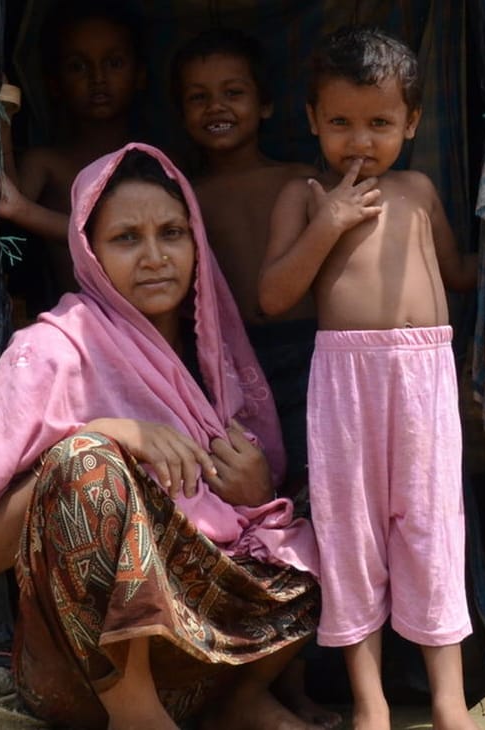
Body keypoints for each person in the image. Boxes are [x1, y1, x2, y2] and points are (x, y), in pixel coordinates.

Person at [0, 144, 322, 730]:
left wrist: (255, 494)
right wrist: (105, 433)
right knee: (85, 463)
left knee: (337, 506)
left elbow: (254, 529)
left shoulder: (215, 365)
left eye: (172, 232)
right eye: (126, 239)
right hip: (81, 676)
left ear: (197, 243)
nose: (155, 257)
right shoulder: (51, 355)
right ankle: (138, 715)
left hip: (208, 662)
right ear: (88, 252)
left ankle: (239, 700)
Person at [259, 26, 479, 730]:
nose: (359, 141)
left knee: (429, 524)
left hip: (423, 375)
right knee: (350, 534)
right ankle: (370, 704)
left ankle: (447, 701)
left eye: (379, 123)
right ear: (311, 122)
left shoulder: (418, 190)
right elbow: (272, 296)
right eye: (341, 123)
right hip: (345, 385)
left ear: (410, 123)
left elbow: (457, 274)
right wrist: (326, 223)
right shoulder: (303, 195)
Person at [172, 28, 339, 729]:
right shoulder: (181, 195)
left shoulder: (297, 184)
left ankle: (304, 681)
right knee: (259, 525)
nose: (217, 107)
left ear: (267, 104)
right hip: (225, 374)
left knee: (317, 511)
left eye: (233, 93)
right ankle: (271, 683)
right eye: (198, 97)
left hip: (306, 360)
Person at [0, 0, 148, 308]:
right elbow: (6, 202)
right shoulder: (46, 163)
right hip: (78, 332)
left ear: (140, 75)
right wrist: (3, 119)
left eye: (114, 62)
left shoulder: (155, 161)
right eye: (78, 66)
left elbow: (17, 207)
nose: (98, 77)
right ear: (54, 84)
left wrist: (25, 211)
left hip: (153, 327)